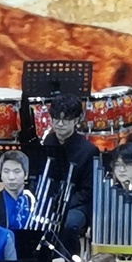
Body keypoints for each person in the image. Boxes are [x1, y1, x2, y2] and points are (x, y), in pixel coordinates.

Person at [26, 95, 96, 250]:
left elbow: (88, 191)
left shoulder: (89, 151)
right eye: (56, 119)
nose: (60, 124)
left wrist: (62, 205)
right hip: (50, 199)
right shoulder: (48, 142)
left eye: (66, 120)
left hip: (77, 204)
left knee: (68, 224)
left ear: (76, 120)